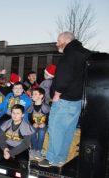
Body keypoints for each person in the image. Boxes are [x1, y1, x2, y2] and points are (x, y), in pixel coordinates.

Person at [38, 32, 91, 167]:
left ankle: (51, 158)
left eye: (58, 40)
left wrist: (56, 95)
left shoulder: (69, 55)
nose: (57, 44)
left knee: (56, 129)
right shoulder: (85, 54)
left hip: (64, 100)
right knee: (68, 131)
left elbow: (63, 77)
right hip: (77, 101)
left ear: (67, 40)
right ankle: (61, 158)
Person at [27, 88, 50, 160]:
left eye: (35, 94)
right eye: (32, 94)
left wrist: (45, 123)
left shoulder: (46, 107)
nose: (33, 95)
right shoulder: (31, 107)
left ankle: (39, 150)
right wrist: (33, 123)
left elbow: (49, 117)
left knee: (42, 132)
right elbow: (30, 117)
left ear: (41, 96)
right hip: (35, 124)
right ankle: (33, 149)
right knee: (31, 131)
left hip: (43, 124)